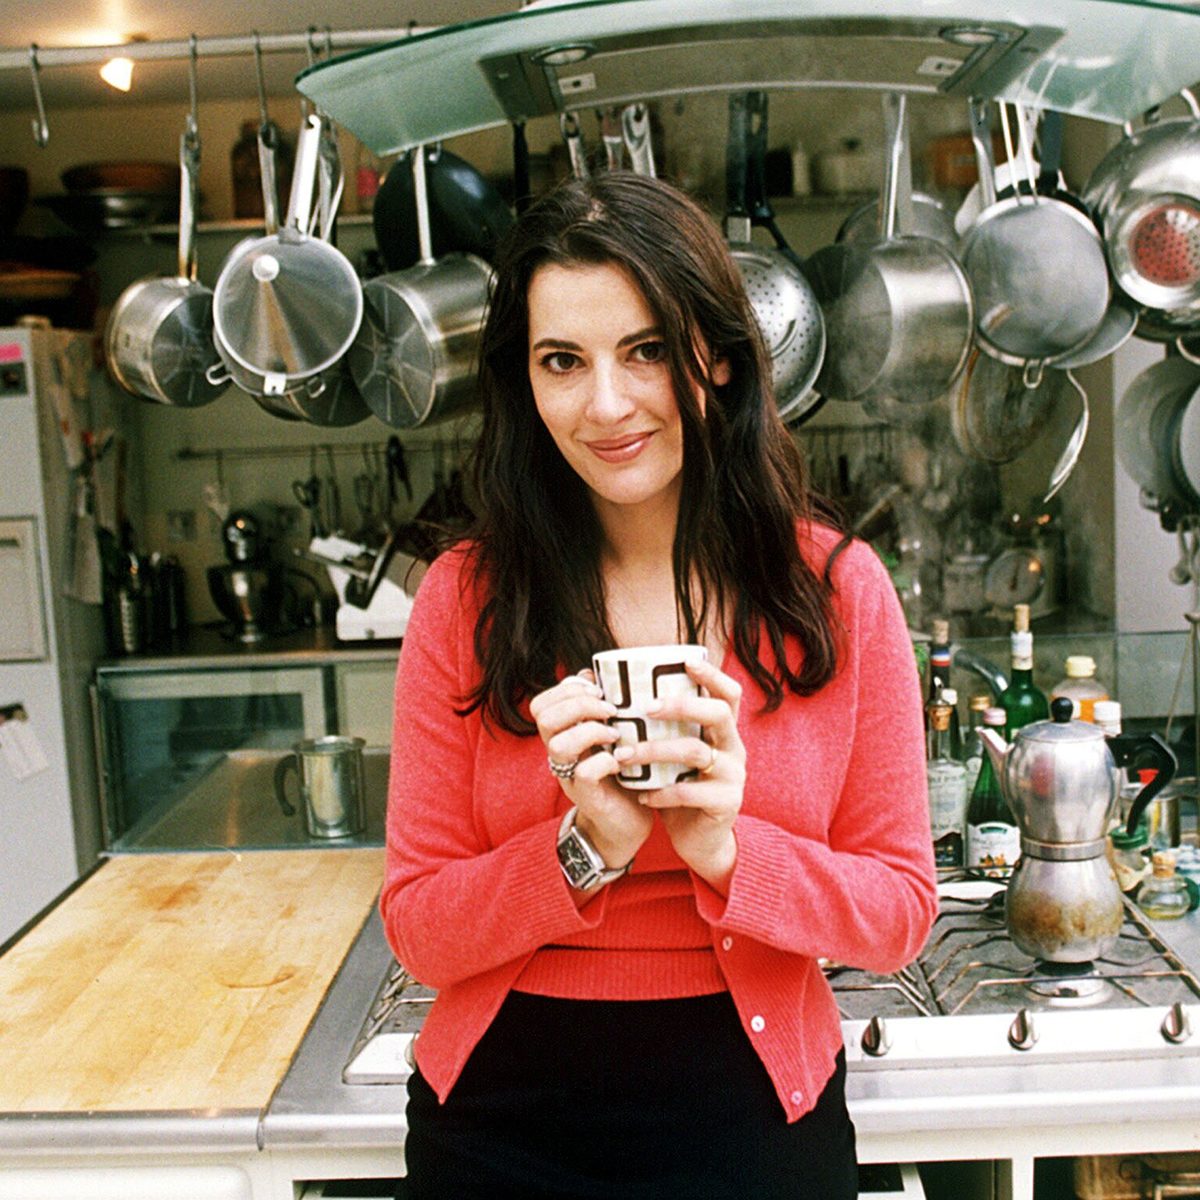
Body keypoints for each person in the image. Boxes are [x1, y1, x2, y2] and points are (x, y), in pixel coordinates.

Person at [384, 171, 937, 1199]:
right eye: (563, 361)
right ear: (525, 383)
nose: (606, 404)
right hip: (500, 1126)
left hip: (758, 1113)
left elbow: (901, 909)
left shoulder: (837, 591)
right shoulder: (463, 599)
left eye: (644, 350)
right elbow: (417, 925)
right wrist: (581, 849)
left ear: (717, 358)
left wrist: (727, 850)